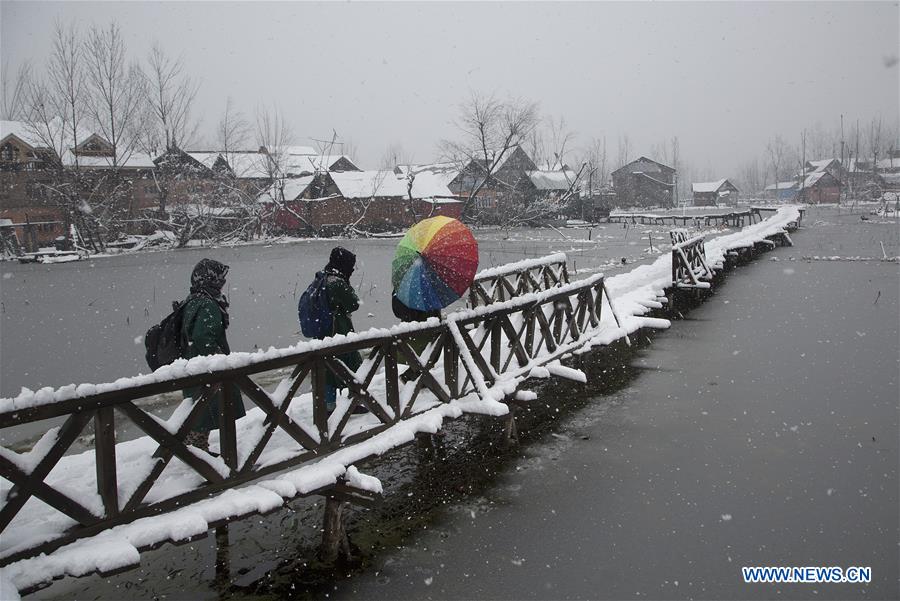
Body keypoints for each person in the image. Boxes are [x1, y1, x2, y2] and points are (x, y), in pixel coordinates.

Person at [181, 258, 246, 451]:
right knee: (210, 408)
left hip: (193, 363)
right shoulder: (208, 303)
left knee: (203, 409)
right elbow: (202, 337)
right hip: (206, 367)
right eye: (220, 278)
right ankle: (203, 454)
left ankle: (196, 449)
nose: (223, 282)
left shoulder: (194, 298)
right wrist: (218, 359)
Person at [320, 247, 363, 411]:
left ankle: (328, 407)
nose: (352, 269)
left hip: (325, 333)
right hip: (339, 332)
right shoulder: (337, 282)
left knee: (329, 370)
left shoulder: (324, 277)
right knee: (353, 366)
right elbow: (354, 304)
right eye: (351, 265)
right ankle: (354, 402)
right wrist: (347, 286)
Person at [392, 292, 440, 382]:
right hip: (425, 331)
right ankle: (412, 377)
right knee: (431, 353)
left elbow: (400, 313)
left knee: (427, 355)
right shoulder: (429, 287)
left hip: (412, 333)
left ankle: (415, 377)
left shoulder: (404, 289)